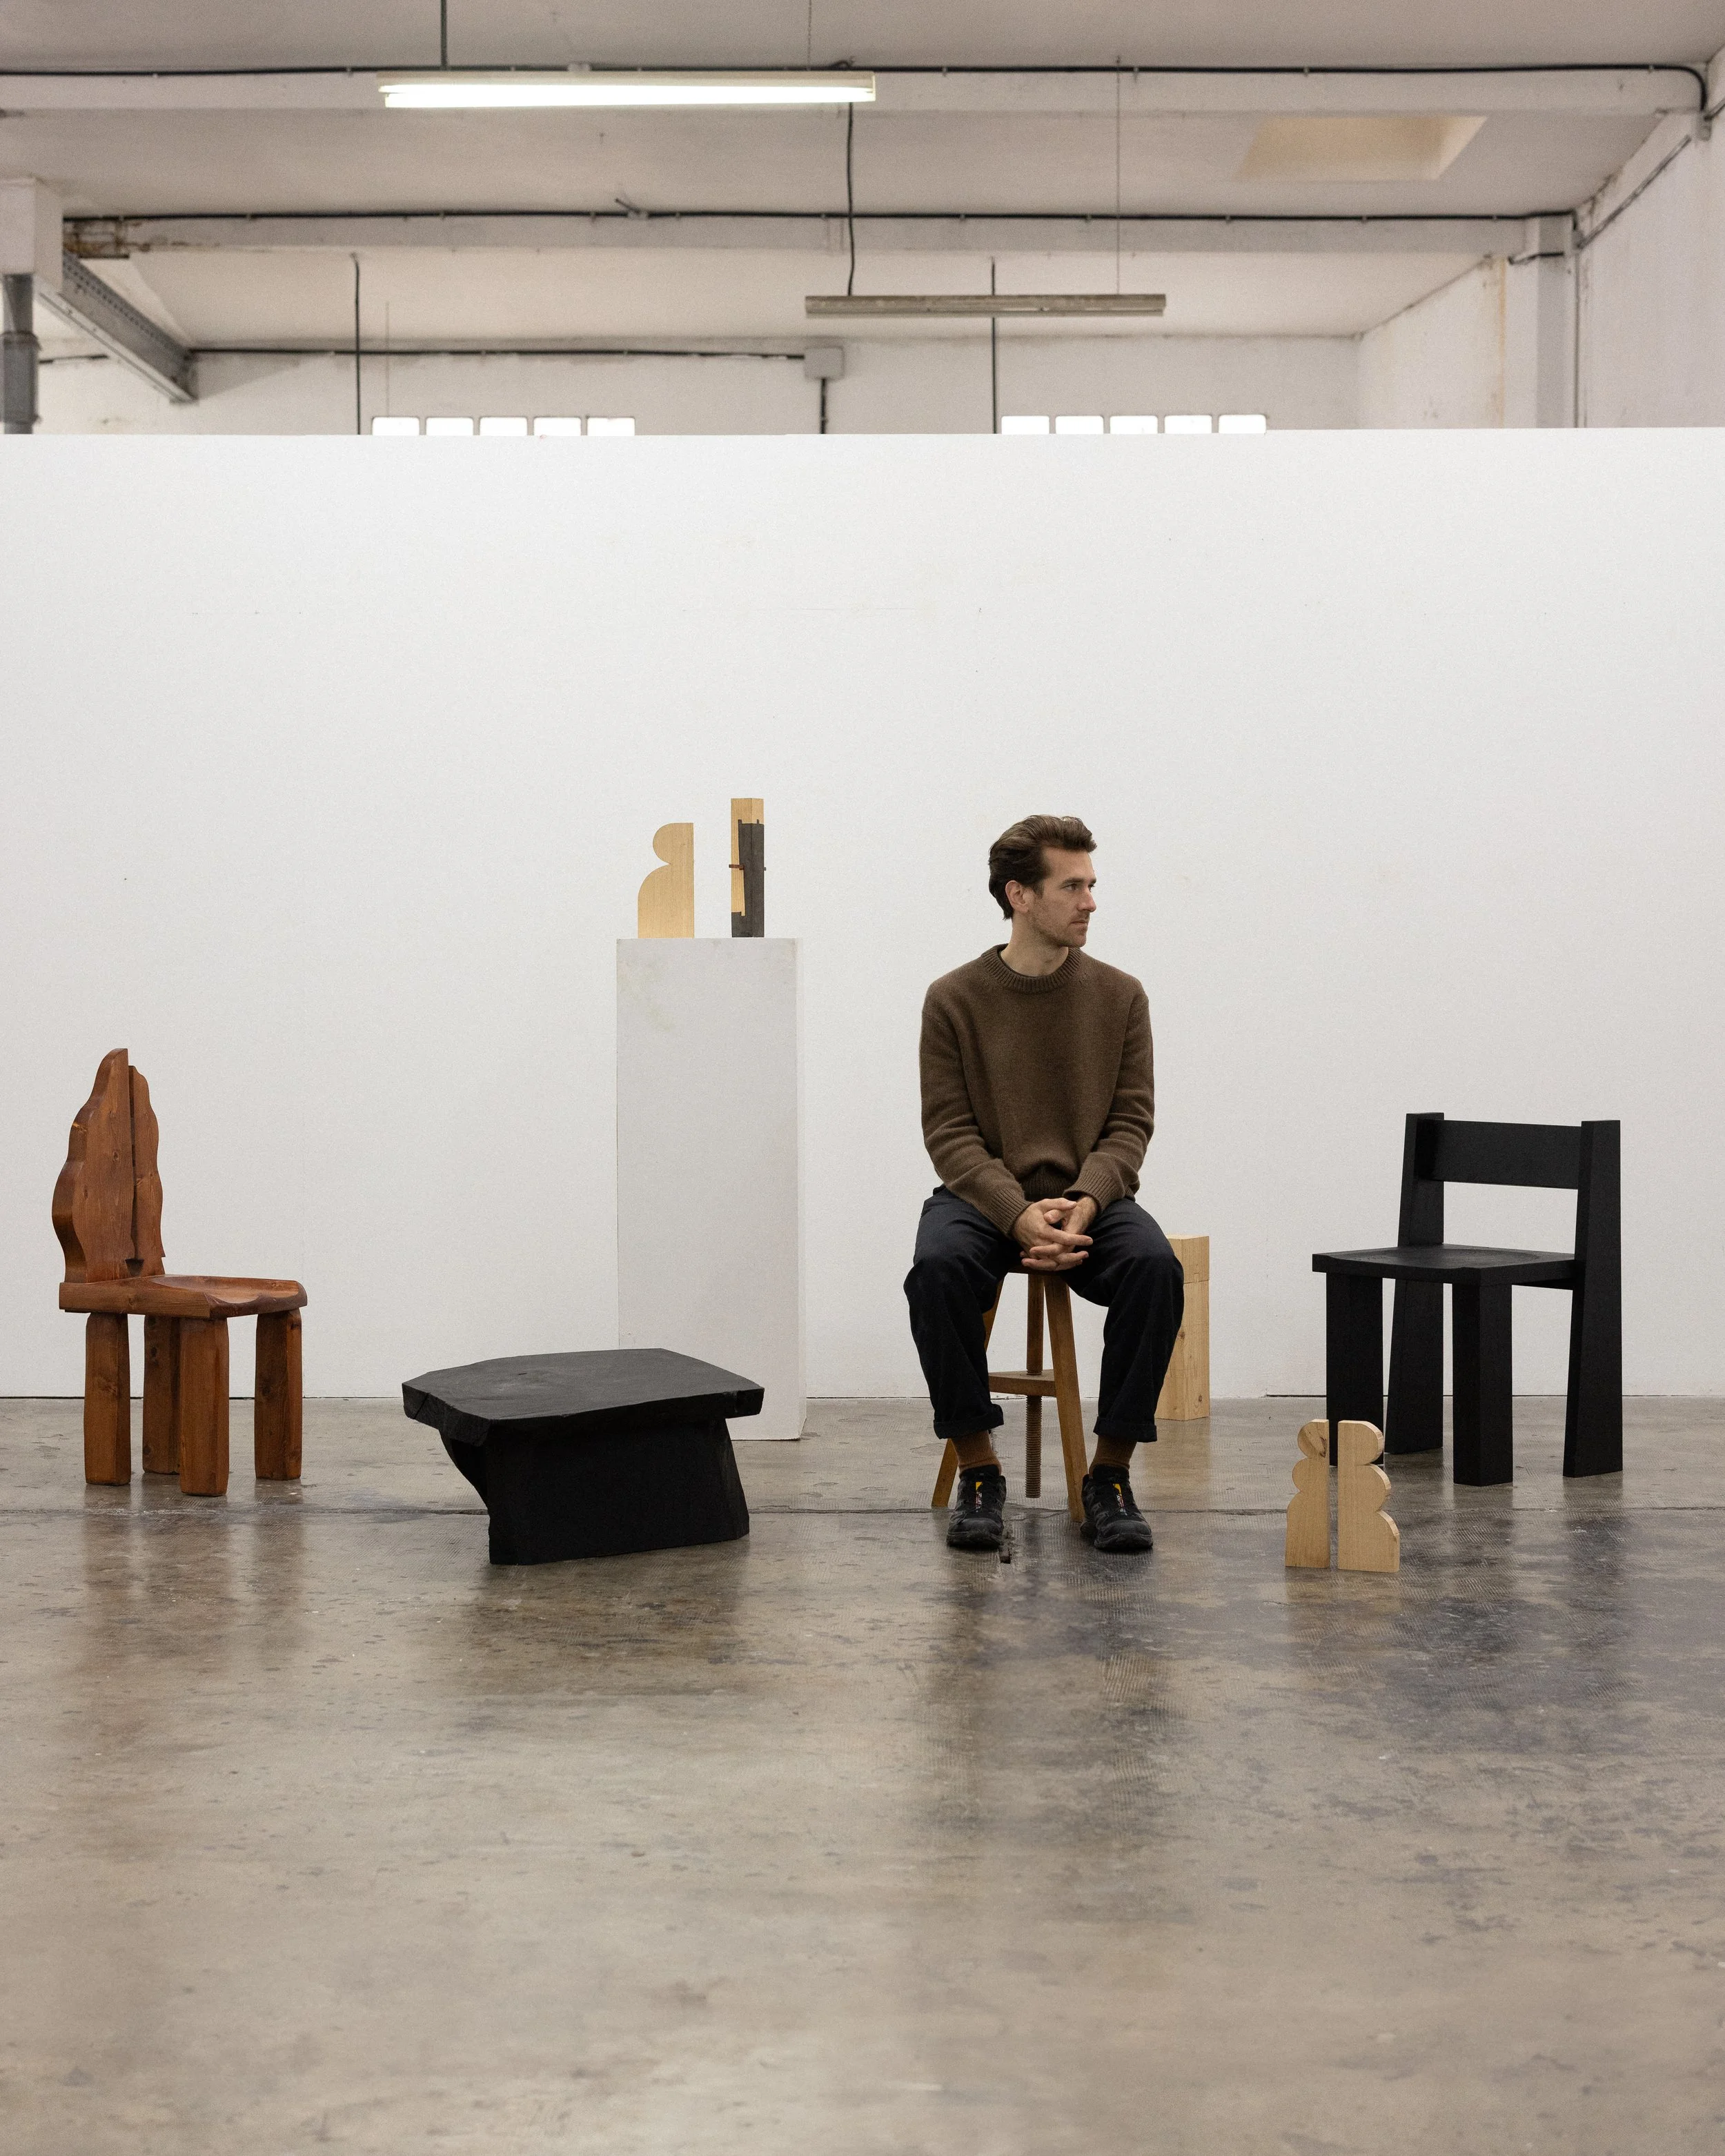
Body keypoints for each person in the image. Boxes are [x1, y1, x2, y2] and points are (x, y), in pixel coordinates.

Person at [905, 814, 1184, 1556]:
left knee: (1156, 1269)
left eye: (1091, 884)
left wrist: (1086, 1202)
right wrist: (1017, 1214)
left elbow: (1130, 1124)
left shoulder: (1121, 995)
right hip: (982, 1199)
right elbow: (949, 1133)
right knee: (936, 1270)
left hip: (1091, 1198)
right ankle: (979, 1469)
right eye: (1071, 886)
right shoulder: (953, 998)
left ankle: (1110, 1475)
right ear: (1019, 895)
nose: (1090, 901)